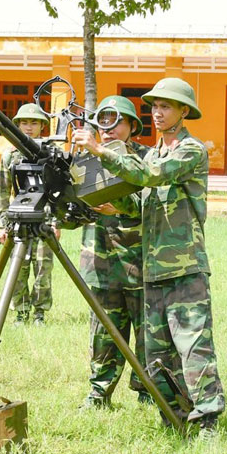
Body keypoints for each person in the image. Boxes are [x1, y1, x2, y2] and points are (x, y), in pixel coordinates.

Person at [73, 78, 224, 438]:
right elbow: (141, 202)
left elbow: (150, 176)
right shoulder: (154, 152)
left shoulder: (190, 150)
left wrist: (100, 150)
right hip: (151, 270)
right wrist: (115, 204)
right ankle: (172, 414)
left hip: (184, 266)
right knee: (157, 354)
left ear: (184, 111)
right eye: (154, 106)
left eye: (166, 106)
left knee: (194, 347)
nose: (157, 113)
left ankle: (207, 421)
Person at [79, 95, 151, 409]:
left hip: (138, 261)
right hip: (98, 259)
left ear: (132, 126)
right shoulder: (84, 159)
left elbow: (149, 205)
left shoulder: (147, 159)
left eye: (115, 120)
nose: (107, 129)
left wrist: (118, 204)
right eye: (101, 121)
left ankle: (149, 391)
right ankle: (99, 394)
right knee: (103, 333)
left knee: (147, 332)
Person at [0, 103, 56, 325]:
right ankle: (20, 312)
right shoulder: (10, 156)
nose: (28, 128)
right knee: (18, 267)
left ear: (42, 126)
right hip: (18, 217)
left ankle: (40, 313)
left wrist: (56, 222)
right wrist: (3, 224)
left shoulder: (49, 154)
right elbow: (2, 192)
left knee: (43, 267)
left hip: (45, 218)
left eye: (33, 123)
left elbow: (57, 191)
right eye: (24, 123)